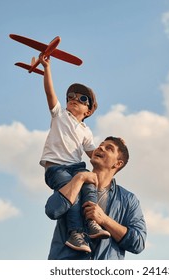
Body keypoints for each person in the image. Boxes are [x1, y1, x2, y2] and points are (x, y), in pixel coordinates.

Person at [39, 54, 110, 254]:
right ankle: (75, 233)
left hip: (76, 167)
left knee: (89, 183)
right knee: (74, 195)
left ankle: (91, 223)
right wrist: (46, 68)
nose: (73, 100)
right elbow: (49, 92)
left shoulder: (86, 131)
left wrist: (112, 155)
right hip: (56, 167)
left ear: (88, 110)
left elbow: (94, 155)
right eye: (70, 97)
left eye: (81, 99)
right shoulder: (60, 115)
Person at [45, 136, 147, 260]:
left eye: (109, 148)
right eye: (100, 145)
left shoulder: (128, 200)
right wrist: (80, 178)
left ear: (118, 163)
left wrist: (104, 220)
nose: (101, 147)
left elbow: (138, 243)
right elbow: (52, 210)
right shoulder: (73, 181)